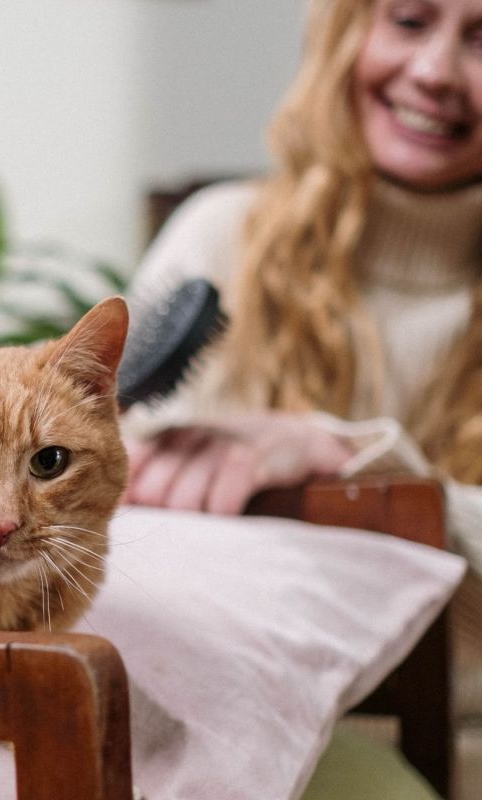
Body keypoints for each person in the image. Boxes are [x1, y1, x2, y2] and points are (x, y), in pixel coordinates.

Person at [122, 0, 482, 792]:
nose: (435, 73)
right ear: (347, 33)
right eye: (410, 22)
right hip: (212, 730)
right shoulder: (217, 237)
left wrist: (353, 460)